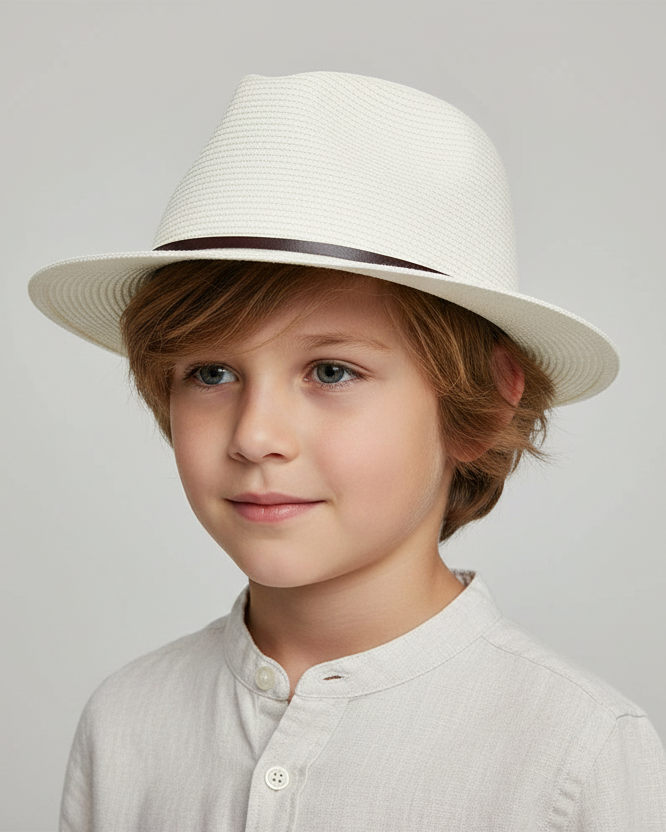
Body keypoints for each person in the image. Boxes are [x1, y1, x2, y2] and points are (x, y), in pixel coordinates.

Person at [28, 70, 666, 831]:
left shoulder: (574, 752)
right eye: (211, 372)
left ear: (484, 405)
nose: (255, 435)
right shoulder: (128, 722)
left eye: (332, 371)